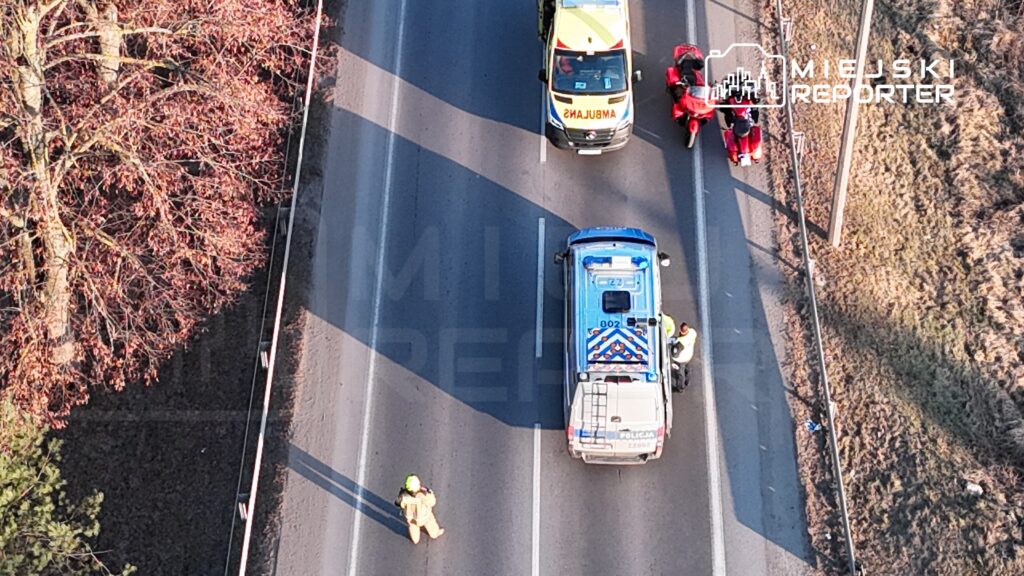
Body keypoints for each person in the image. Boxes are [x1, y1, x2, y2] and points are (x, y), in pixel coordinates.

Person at [394, 474, 445, 544]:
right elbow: (432, 502)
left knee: (413, 528)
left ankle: (415, 540)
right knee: (431, 523)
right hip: (424, 517)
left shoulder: (404, 496)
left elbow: (401, 505)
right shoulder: (422, 495)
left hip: (411, 518)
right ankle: (435, 533)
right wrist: (429, 492)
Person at [669, 323, 698, 391]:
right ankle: (687, 381)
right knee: (687, 369)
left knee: (680, 373)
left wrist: (673, 346)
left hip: (681, 359)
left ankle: (680, 387)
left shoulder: (680, 342)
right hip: (689, 355)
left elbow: (675, 354)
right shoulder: (692, 332)